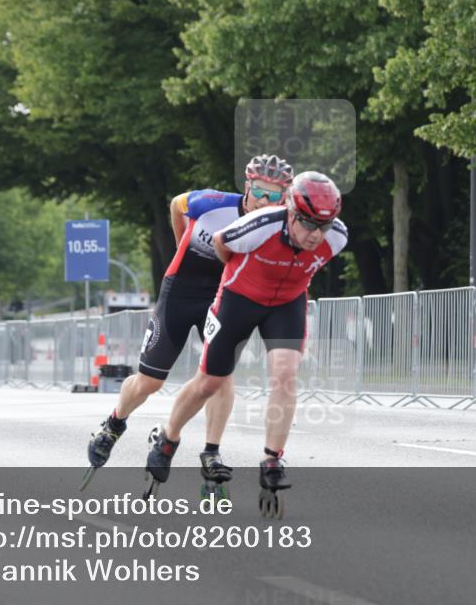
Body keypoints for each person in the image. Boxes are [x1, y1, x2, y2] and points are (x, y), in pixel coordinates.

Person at [83, 154, 294, 490]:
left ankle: (212, 451)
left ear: (285, 197)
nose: (264, 200)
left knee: (220, 376)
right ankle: (114, 424)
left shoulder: (278, 226)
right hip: (179, 291)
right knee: (149, 382)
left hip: (223, 297)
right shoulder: (212, 203)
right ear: (247, 186)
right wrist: (183, 239)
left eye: (274, 194)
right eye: (259, 190)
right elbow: (176, 205)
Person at [144, 171, 348, 516]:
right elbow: (221, 243)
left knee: (285, 375)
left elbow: (309, 258)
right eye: (308, 223)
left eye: (323, 226)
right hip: (239, 298)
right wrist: (241, 274)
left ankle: (272, 460)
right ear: (291, 213)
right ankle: (169, 436)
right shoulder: (261, 225)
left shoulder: (337, 237)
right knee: (210, 382)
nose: (316, 234)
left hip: (286, 303)